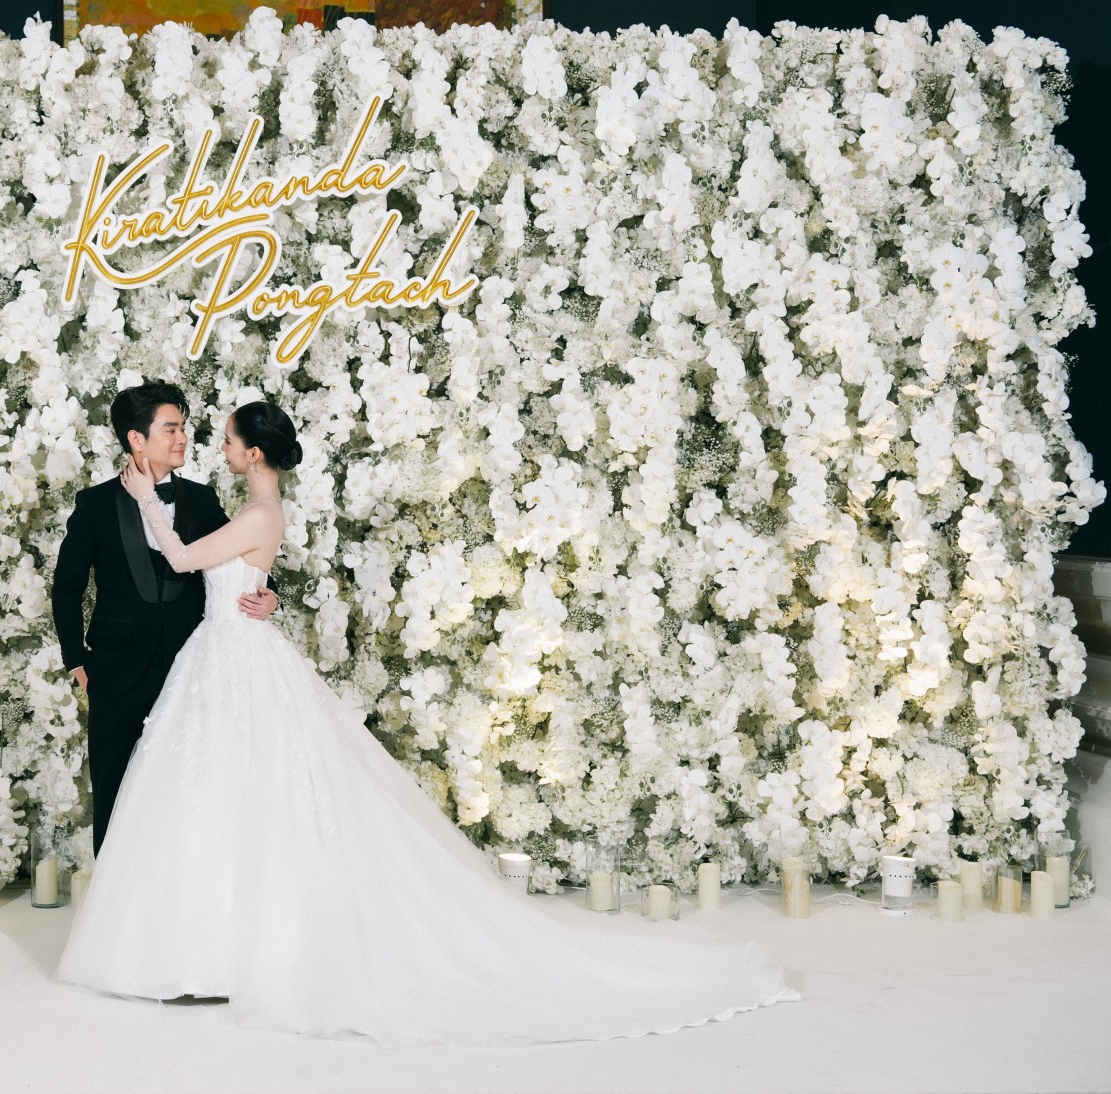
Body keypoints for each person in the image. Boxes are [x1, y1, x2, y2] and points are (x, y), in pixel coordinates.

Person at [54, 400, 800, 1046]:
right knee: (219, 799)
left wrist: (152, 503)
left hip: (231, 659)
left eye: (222, 438)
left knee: (246, 795)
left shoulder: (246, 508)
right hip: (215, 658)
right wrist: (251, 585)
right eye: (189, 431)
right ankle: (207, 944)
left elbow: (188, 559)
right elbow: (224, 567)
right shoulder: (244, 508)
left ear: (253, 454)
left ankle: (237, 949)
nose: (209, 445)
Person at [51, 382, 280, 858]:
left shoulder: (201, 499)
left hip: (190, 672)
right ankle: (113, 903)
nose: (182, 438)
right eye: (170, 429)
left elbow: (242, 555)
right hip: (115, 672)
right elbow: (67, 587)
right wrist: (77, 660)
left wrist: (271, 595)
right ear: (137, 439)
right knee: (114, 793)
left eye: (183, 428)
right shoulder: (95, 504)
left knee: (184, 796)